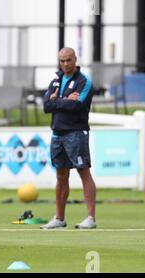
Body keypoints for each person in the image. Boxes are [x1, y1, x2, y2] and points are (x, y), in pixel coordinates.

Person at [41, 47, 97, 229]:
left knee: (83, 172)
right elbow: (46, 106)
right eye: (62, 60)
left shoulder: (84, 82)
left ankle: (90, 218)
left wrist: (56, 101)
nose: (65, 64)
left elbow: (76, 106)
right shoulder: (56, 80)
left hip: (76, 133)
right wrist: (63, 100)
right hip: (57, 134)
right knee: (61, 176)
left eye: (69, 60)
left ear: (75, 59)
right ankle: (59, 218)